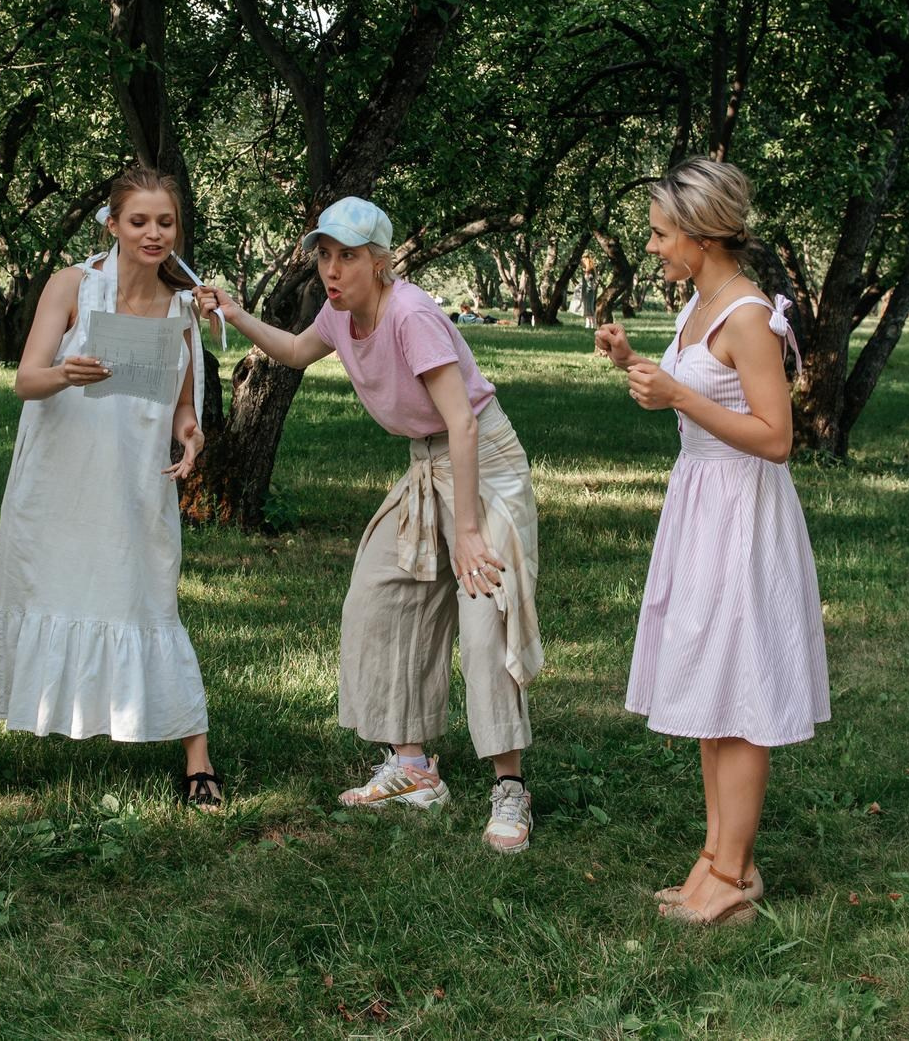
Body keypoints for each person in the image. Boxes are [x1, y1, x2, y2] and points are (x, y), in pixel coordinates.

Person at [195, 196, 544, 852]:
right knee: (379, 597)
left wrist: (468, 531)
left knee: (485, 609)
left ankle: (510, 786)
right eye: (325, 254)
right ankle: (412, 768)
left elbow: (463, 422)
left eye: (348, 255)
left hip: (481, 463)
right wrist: (236, 313)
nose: (332, 268)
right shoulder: (338, 310)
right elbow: (297, 350)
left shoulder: (411, 315)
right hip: (427, 462)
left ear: (380, 262)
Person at [0, 169, 219, 806]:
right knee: (26, 590)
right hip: (57, 479)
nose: (153, 233)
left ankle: (196, 758)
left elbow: (181, 407)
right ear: (112, 225)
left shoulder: (184, 306)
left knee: (149, 599)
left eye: (165, 222)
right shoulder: (73, 285)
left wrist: (191, 434)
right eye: (139, 221)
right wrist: (64, 371)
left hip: (135, 483)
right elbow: (26, 382)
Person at [595, 158, 828, 927]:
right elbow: (688, 396)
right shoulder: (700, 302)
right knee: (708, 686)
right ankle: (718, 855)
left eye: (663, 233)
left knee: (742, 693)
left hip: (742, 512)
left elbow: (776, 436)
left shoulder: (749, 315)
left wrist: (678, 392)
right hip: (699, 502)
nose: (654, 246)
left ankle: (733, 871)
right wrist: (633, 362)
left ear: (701, 233)